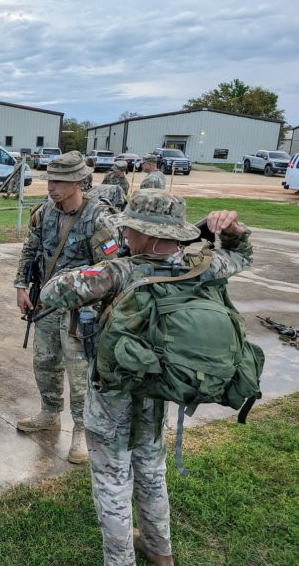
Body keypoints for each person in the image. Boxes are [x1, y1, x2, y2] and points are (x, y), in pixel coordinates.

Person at [38, 189, 252, 566]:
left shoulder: (116, 272)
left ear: (146, 236)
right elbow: (240, 256)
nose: (125, 236)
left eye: (130, 230)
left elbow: (52, 292)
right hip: (159, 390)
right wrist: (232, 232)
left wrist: (115, 262)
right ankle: (159, 550)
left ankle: (119, 561)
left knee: (112, 481)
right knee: (152, 470)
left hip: (113, 395)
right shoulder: (203, 267)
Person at [13, 150, 120, 464]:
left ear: (78, 182)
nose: (52, 186)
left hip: (81, 309)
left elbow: (112, 268)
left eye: (59, 181)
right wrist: (21, 286)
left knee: (80, 372)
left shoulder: (99, 216)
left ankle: (82, 430)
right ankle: (49, 412)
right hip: (47, 303)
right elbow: (30, 251)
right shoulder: (44, 213)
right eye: (50, 179)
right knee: (45, 361)